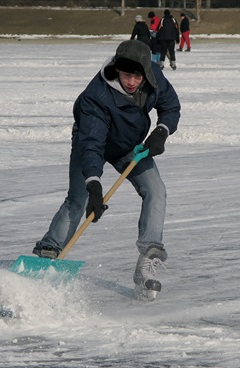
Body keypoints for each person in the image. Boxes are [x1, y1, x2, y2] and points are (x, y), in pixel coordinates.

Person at [32, 40, 181, 300]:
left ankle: (148, 257)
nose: (132, 82)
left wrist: (161, 130)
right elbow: (92, 145)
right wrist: (94, 185)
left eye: (137, 76)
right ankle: (49, 251)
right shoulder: (96, 97)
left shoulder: (154, 76)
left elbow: (170, 106)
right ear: (116, 70)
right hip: (91, 144)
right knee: (78, 198)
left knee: (156, 190)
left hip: (130, 146)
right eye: (126, 75)